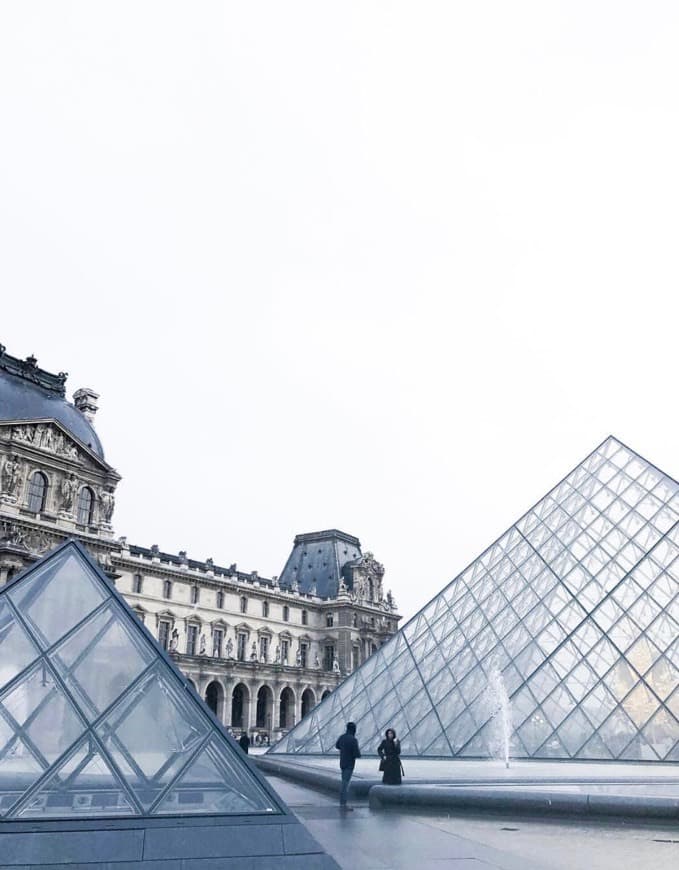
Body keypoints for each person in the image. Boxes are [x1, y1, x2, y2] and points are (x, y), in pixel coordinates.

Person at [335, 722, 361, 810]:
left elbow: (337, 746)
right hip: (350, 764)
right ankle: (343, 804)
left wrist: (344, 749)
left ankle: (342, 803)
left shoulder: (342, 737)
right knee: (345, 784)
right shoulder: (353, 740)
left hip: (342, 762)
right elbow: (357, 754)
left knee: (344, 782)